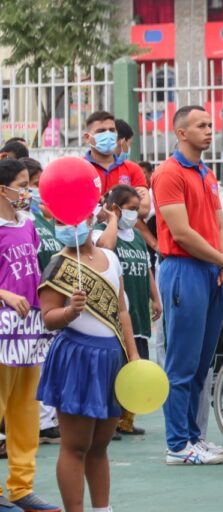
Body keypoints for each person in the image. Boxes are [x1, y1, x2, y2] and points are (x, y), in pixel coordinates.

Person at [152, 105, 223, 465]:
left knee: (203, 362)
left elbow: (220, 226)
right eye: (200, 126)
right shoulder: (168, 173)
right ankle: (177, 444)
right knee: (182, 363)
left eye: (210, 125)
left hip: (209, 272)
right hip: (183, 270)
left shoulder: (207, 173)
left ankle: (193, 437)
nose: (209, 131)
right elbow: (182, 233)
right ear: (181, 133)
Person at [37, 210, 139, 512]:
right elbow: (48, 318)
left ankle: (101, 508)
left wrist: (132, 355)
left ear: (90, 217)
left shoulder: (111, 257)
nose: (69, 226)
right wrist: (70, 311)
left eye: (74, 218)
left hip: (110, 357)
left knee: (100, 446)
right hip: (76, 357)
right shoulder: (59, 265)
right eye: (60, 222)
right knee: (76, 445)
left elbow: (121, 311)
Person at [0, 160, 60, 512]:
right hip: (3, 329)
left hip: (30, 329)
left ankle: (22, 487)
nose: (28, 191)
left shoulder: (28, 224)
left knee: (25, 411)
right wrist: (4, 294)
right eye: (23, 184)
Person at [93, 185, 162, 435]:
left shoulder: (138, 239)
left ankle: (126, 418)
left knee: (136, 362)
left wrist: (156, 298)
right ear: (115, 208)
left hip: (138, 315)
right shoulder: (102, 232)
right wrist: (111, 221)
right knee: (116, 368)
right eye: (131, 209)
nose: (135, 215)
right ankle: (109, 419)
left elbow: (146, 269)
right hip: (115, 315)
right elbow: (105, 248)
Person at [22, 157, 64, 446]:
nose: (32, 192)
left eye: (34, 186)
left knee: (45, 361)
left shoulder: (43, 221)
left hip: (45, 301)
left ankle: (46, 420)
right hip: (22, 305)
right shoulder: (22, 222)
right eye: (28, 186)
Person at [83, 111, 150, 217]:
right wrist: (126, 204)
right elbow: (76, 207)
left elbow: (144, 209)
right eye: (101, 131)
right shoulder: (79, 169)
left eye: (112, 130)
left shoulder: (133, 169)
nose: (108, 135)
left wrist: (101, 203)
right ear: (87, 138)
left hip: (125, 234)